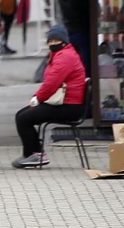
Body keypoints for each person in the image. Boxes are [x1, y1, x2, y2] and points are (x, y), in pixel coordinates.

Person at [14, 27, 86, 169]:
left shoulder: (65, 57)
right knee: (22, 115)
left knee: (23, 118)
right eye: (50, 41)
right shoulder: (63, 54)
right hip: (65, 103)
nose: (53, 43)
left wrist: (38, 98)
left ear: (64, 41)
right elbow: (51, 82)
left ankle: (34, 154)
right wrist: (38, 98)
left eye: (56, 40)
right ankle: (34, 153)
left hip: (69, 106)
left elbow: (52, 82)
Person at [61, 0, 94, 67]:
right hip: (82, 31)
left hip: (69, 31)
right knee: (85, 65)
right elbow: (91, 10)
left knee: (73, 64)